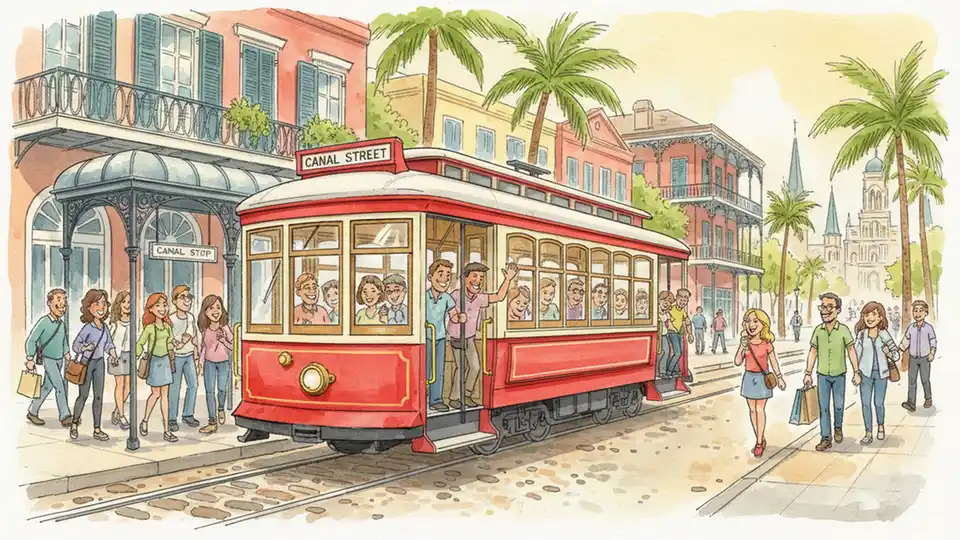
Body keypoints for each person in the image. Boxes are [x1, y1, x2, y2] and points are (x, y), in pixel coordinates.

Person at [446, 262, 518, 408]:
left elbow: (499, 296)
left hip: (470, 338)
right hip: (456, 337)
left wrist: (508, 279)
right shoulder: (455, 295)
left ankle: (466, 395)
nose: (478, 280)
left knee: (475, 367)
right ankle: (454, 398)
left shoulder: (479, 298)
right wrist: (457, 317)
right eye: (474, 276)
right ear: (464, 278)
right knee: (462, 367)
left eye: (481, 277)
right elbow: (449, 312)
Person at [803, 292, 860, 452]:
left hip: (839, 375)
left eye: (830, 307)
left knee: (839, 406)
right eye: (822, 307)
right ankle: (825, 437)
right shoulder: (818, 331)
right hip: (822, 375)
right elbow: (813, 352)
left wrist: (857, 371)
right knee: (823, 407)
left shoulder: (843, 330)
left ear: (838, 310)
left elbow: (851, 351)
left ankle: (838, 427)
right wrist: (808, 373)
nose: (825, 310)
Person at [734, 309, 785, 458]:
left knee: (759, 410)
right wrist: (742, 347)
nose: (751, 324)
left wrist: (779, 377)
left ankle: (758, 442)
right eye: (748, 321)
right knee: (752, 410)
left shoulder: (767, 344)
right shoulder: (746, 342)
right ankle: (760, 438)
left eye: (755, 321)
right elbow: (737, 362)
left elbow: (774, 362)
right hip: (749, 378)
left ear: (763, 324)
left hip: (762, 379)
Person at [69, 289, 118, 441]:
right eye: (97, 304)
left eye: (103, 304)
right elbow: (76, 346)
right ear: (89, 307)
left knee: (98, 396)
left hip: (100, 364)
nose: (101, 307)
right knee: (83, 395)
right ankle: (75, 423)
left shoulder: (104, 328)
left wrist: (113, 353)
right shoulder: (87, 328)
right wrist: (85, 347)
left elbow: (109, 343)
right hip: (86, 363)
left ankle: (97, 429)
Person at [25, 289, 73, 427]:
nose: (62, 303)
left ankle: (32, 411)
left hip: (60, 360)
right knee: (60, 385)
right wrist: (29, 358)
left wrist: (66, 353)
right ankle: (65, 415)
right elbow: (32, 340)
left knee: (47, 387)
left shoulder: (61, 324)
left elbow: (63, 340)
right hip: (48, 359)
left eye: (64, 300)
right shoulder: (44, 322)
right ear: (50, 303)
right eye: (58, 299)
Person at [854, 301, 897, 444]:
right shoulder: (861, 335)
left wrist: (888, 352)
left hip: (881, 374)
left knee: (878, 403)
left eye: (874, 314)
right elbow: (856, 355)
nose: (870, 318)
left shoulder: (884, 334)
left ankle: (880, 426)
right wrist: (856, 372)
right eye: (867, 314)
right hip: (865, 374)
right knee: (865, 403)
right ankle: (868, 432)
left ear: (880, 318)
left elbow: (896, 355)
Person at [425, 260, 465, 412]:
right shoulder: (424, 297)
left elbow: (453, 315)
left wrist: (460, 318)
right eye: (440, 274)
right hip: (425, 338)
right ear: (430, 277)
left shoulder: (447, 298)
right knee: (424, 369)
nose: (444, 279)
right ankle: (422, 397)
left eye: (448, 276)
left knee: (438, 370)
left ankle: (436, 400)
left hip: (440, 338)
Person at [136, 293, 178, 442]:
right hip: (154, 362)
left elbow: (169, 344)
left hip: (166, 361)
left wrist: (175, 345)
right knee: (155, 394)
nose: (162, 308)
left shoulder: (167, 327)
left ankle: (166, 430)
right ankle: (145, 420)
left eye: (164, 305)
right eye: (158, 305)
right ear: (151, 309)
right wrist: (136, 355)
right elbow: (140, 343)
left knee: (165, 395)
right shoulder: (149, 328)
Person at [197, 295, 233, 434]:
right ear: (205, 312)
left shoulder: (225, 328)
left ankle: (220, 408)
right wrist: (200, 363)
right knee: (209, 392)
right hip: (209, 364)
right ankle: (212, 421)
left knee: (222, 389)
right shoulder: (205, 330)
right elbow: (204, 348)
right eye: (211, 308)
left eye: (218, 307)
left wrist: (223, 340)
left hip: (223, 363)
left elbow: (232, 346)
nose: (215, 311)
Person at [168, 285, 200, 432]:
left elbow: (192, 337)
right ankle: (171, 418)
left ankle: (188, 414)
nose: (187, 300)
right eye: (182, 297)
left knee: (193, 384)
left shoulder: (191, 318)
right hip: (175, 357)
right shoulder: (171, 319)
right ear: (174, 301)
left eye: (189, 297)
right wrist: (178, 342)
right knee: (174, 388)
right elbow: (169, 339)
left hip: (188, 356)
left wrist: (196, 354)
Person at [899, 300, 937, 411]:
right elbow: (906, 341)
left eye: (921, 310)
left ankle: (928, 398)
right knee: (912, 380)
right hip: (913, 358)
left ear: (926, 313)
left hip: (925, 358)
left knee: (925, 379)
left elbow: (933, 341)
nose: (918, 313)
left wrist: (932, 353)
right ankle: (911, 403)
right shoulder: (911, 328)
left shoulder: (929, 328)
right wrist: (899, 349)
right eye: (915, 310)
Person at [108, 291, 132, 430]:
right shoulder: (114, 322)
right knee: (120, 383)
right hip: (116, 356)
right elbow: (109, 340)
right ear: (119, 304)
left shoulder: (134, 320)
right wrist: (112, 354)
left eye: (129, 302)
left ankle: (117, 409)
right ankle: (122, 415)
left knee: (129, 385)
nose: (127, 305)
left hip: (129, 354)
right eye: (124, 302)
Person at [666, 289, 693, 377]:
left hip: (679, 334)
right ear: (676, 298)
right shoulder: (671, 308)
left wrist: (690, 334)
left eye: (685, 301)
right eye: (680, 299)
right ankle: (669, 370)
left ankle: (674, 370)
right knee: (677, 353)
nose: (682, 302)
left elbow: (688, 323)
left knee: (679, 353)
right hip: (672, 332)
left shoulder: (683, 312)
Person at [656, 291, 675, 379]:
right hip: (658, 336)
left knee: (667, 352)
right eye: (664, 300)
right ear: (659, 300)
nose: (666, 303)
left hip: (664, 335)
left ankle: (662, 372)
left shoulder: (666, 313)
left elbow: (671, 321)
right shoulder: (655, 312)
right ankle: (657, 372)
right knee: (658, 353)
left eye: (669, 302)